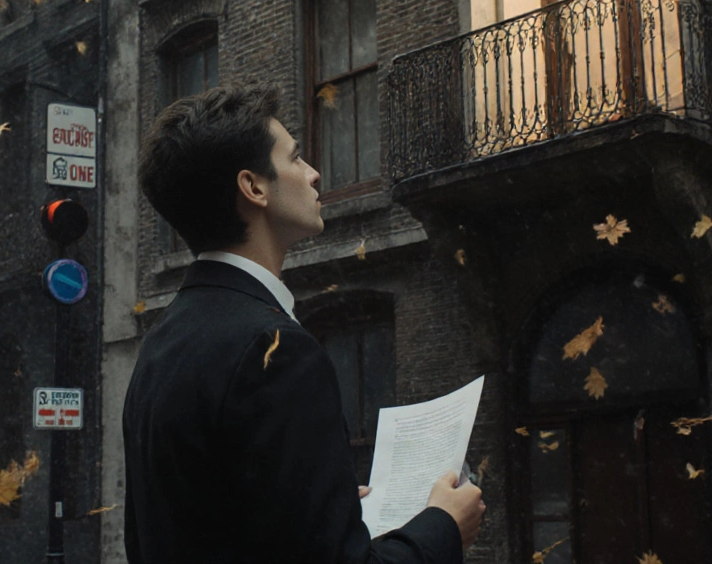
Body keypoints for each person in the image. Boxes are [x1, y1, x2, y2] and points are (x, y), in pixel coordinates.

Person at [123, 83, 484, 563]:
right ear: (253, 187)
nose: (314, 174)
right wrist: (444, 527)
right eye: (295, 159)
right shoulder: (274, 349)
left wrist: (316, 509)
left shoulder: (162, 343)